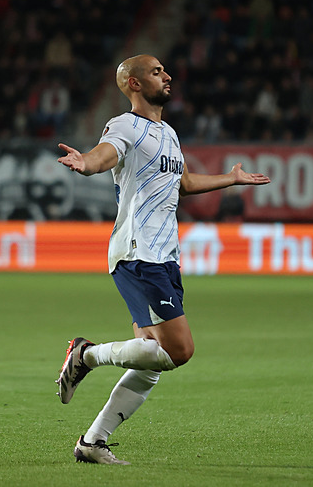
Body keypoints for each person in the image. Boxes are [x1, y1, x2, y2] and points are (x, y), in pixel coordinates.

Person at [55, 54, 270, 465]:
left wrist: (231, 179)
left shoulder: (168, 133)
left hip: (164, 257)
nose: (167, 75)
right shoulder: (125, 126)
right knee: (180, 350)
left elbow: (184, 182)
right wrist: (87, 164)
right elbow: (106, 153)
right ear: (134, 83)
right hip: (139, 253)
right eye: (156, 72)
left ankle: (91, 443)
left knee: (151, 359)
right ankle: (85, 355)